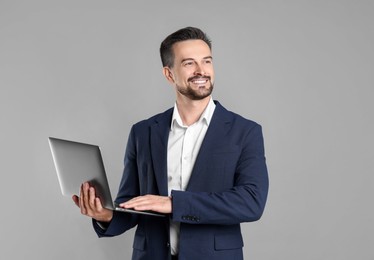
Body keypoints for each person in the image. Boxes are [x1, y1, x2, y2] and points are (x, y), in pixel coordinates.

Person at [72, 26, 269, 260]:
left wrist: (174, 204)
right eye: (189, 63)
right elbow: (133, 204)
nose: (201, 71)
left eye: (206, 61)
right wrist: (105, 216)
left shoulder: (245, 131)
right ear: (169, 74)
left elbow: (251, 202)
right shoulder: (142, 132)